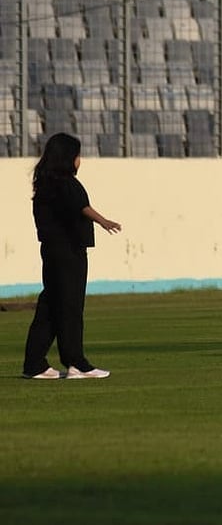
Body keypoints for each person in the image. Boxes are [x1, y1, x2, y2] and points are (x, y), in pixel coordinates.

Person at [23, 132, 122, 380]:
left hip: (51, 250)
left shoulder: (45, 182)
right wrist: (104, 221)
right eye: (78, 155)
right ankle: (76, 362)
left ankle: (34, 364)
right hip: (68, 252)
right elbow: (82, 207)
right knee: (70, 306)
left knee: (50, 306)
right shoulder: (66, 183)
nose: (80, 160)